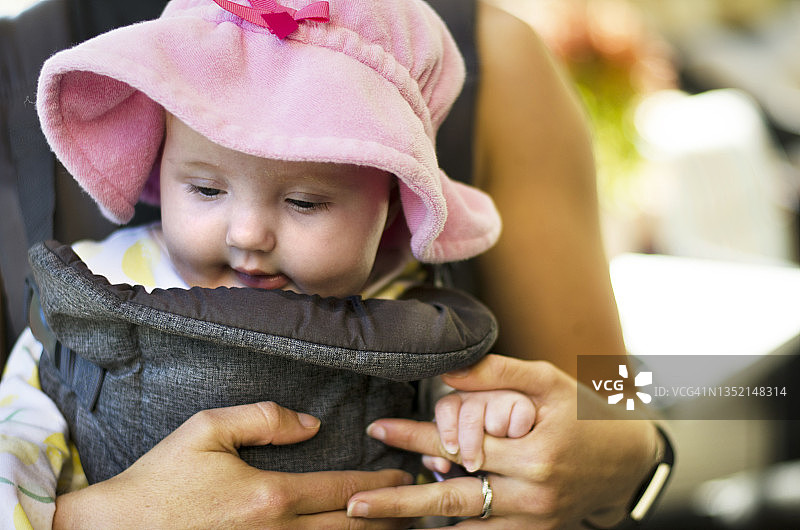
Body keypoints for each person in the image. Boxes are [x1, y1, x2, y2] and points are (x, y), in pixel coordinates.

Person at [0, 0, 670, 528]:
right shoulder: (99, 271)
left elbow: (615, 384)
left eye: (306, 202)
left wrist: (635, 448)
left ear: (395, 206)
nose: (248, 235)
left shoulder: (505, 61)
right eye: (203, 189)